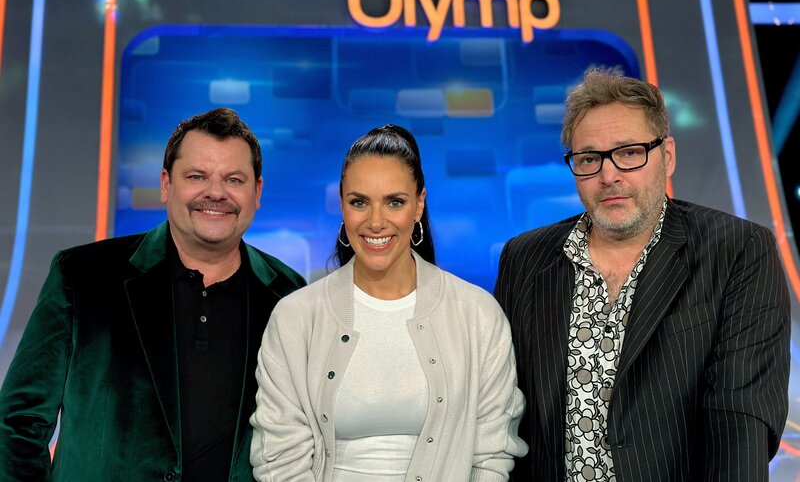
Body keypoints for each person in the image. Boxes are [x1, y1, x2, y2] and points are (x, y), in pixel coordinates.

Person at [494, 69, 791, 481]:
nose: (609, 175)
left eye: (630, 152)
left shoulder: (738, 251)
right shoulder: (524, 258)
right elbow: (503, 413)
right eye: (589, 159)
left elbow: (740, 422)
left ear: (667, 156)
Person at [0, 108, 305, 481]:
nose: (216, 192)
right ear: (166, 184)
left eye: (234, 179)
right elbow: (19, 422)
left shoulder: (289, 296)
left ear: (256, 192)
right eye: (197, 176)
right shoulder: (82, 276)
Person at [249, 124, 528, 481]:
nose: (376, 222)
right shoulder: (295, 318)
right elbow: (279, 459)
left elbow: (492, 454)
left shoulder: (477, 315)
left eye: (395, 202)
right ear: (342, 204)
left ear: (419, 204)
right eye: (359, 202)